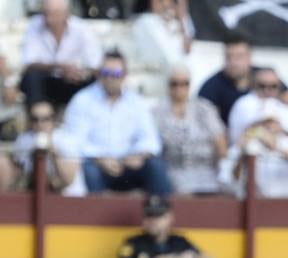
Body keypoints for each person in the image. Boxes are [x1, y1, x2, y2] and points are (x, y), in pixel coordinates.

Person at [63, 51, 173, 197]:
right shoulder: (82, 100)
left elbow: (150, 139)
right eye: (105, 73)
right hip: (96, 164)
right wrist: (100, 159)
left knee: (156, 166)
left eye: (115, 74)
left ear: (124, 75)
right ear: (99, 74)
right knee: (89, 170)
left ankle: (161, 214)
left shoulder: (136, 102)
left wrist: (139, 156)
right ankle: (93, 217)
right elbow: (74, 141)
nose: (110, 78)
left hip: (129, 164)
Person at [116, 194, 211, 258]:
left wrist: (192, 257)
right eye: (149, 215)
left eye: (158, 215)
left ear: (169, 217)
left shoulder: (179, 241)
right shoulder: (133, 244)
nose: (153, 220)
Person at [198, 33, 288, 130]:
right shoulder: (212, 87)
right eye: (229, 57)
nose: (233, 62)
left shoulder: (264, 77)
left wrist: (286, 128)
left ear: (249, 57)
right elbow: (207, 125)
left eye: (238, 57)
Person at [154, 66, 227, 195]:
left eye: (184, 84)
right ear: (168, 85)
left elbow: (220, 144)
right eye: (174, 84)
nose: (179, 88)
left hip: (206, 173)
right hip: (172, 173)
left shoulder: (204, 109)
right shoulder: (157, 111)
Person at [18, 0, 101, 110]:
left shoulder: (82, 29)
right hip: (47, 82)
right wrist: (59, 68)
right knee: (31, 77)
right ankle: (39, 118)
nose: (49, 18)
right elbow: (28, 62)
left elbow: (95, 64)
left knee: (93, 82)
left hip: (75, 83)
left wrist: (78, 72)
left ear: (66, 14)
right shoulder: (35, 25)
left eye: (54, 13)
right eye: (46, 13)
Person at [8, 99, 85, 195]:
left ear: (53, 119)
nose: (40, 124)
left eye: (45, 119)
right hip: (34, 194)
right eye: (35, 119)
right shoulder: (24, 140)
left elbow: (69, 180)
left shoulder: (67, 140)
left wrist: (53, 153)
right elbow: (17, 177)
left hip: (68, 196)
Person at [134, 0, 195, 71]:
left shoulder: (178, 24)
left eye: (173, 2)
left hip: (181, 71)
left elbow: (188, 50)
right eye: (161, 1)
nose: (167, 4)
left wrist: (182, 19)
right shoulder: (146, 21)